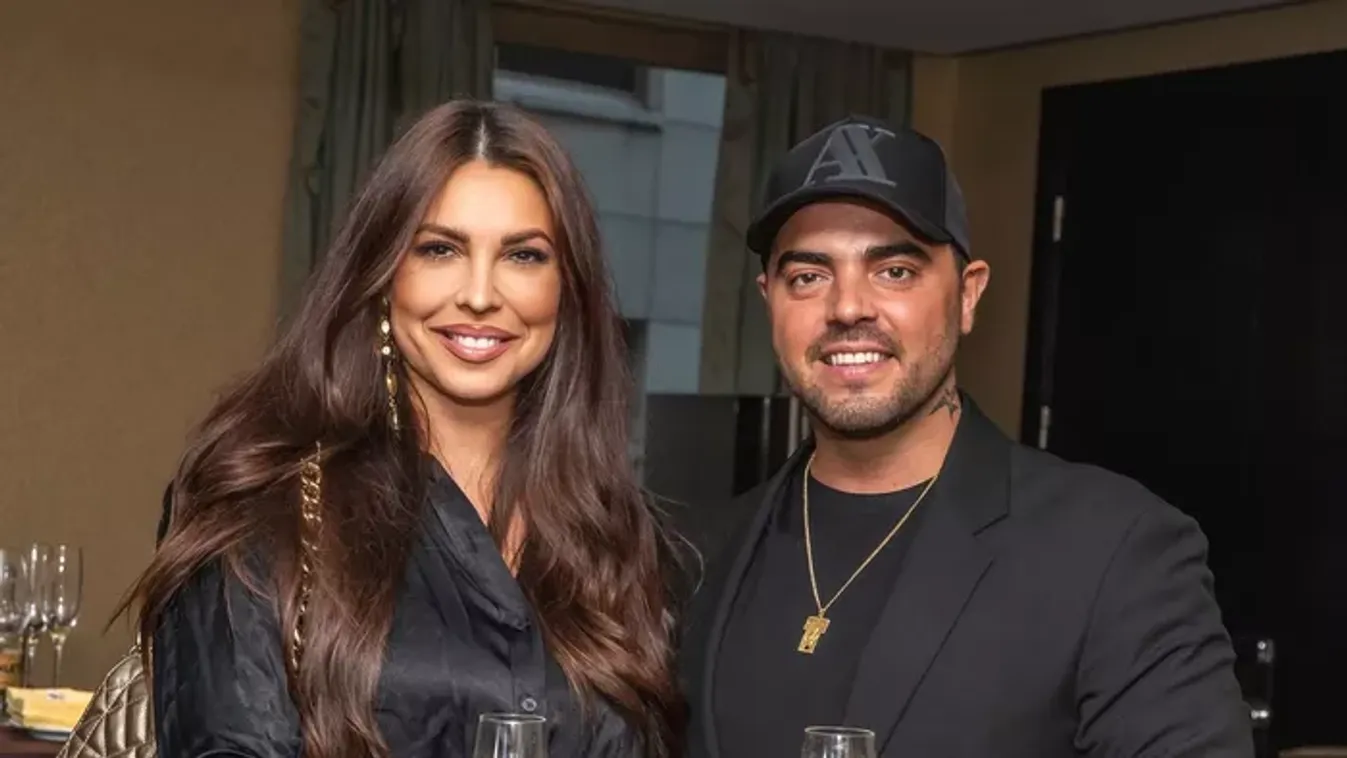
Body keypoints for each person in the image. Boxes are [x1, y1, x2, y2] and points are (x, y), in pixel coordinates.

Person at [675, 115, 1252, 758]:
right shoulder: (690, 558)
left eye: (895, 270)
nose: (847, 308)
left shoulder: (1115, 552)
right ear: (770, 301)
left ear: (968, 295)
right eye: (808, 276)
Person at [124, 101, 684, 758]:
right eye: (440, 249)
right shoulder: (263, 504)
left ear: (566, 292)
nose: (480, 294)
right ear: (384, 272)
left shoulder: (622, 538)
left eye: (523, 255)